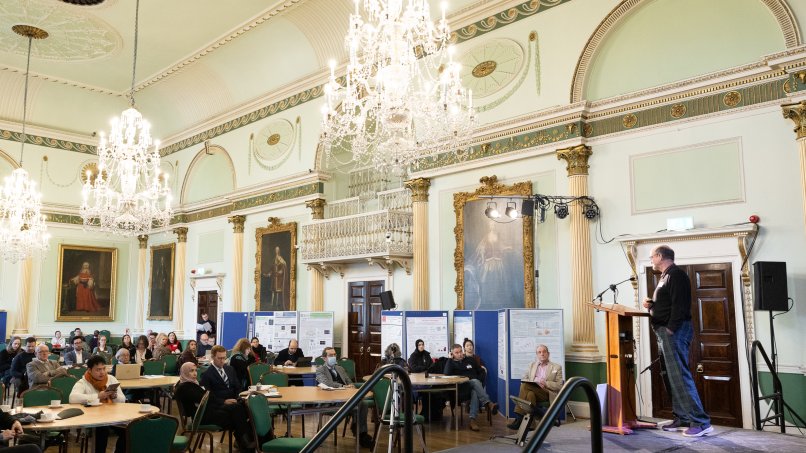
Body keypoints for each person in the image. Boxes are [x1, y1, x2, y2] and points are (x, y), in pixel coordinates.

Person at [643, 245, 712, 437]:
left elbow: (680, 305)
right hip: (665, 332)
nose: (650, 260)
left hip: (674, 332)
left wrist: (671, 328)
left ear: (659, 256)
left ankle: (701, 422)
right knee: (671, 376)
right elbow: (667, 304)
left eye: (651, 257)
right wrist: (652, 306)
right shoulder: (664, 277)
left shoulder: (676, 275)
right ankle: (683, 417)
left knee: (679, 376)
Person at [199, 346, 255, 452]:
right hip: (219, 405)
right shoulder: (206, 374)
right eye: (219, 358)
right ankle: (245, 441)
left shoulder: (230, 369)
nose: (222, 361)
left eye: (224, 358)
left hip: (234, 400)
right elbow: (207, 395)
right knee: (238, 409)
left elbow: (238, 386)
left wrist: (238, 397)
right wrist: (224, 401)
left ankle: (248, 439)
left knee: (250, 406)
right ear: (213, 357)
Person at [315, 347, 373, 448]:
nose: (333, 357)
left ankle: (361, 433)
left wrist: (351, 386)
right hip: (331, 400)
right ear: (324, 358)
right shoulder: (320, 370)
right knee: (359, 403)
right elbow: (326, 382)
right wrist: (342, 386)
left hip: (346, 398)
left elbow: (348, 381)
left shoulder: (340, 368)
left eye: (335, 355)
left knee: (363, 403)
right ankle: (359, 432)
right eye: (330, 355)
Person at [69, 356, 126, 452]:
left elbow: (123, 400)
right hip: (93, 417)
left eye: (104, 369)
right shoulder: (83, 382)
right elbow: (72, 398)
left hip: (112, 415)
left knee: (128, 430)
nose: (102, 372)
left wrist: (114, 397)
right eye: (98, 370)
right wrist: (98, 396)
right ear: (89, 370)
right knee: (102, 429)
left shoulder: (111, 379)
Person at [507, 344, 563, 430]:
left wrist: (545, 383)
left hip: (547, 393)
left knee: (525, 385)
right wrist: (534, 382)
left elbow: (559, 385)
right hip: (534, 390)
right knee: (530, 394)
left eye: (544, 352)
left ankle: (519, 417)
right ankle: (531, 425)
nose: (542, 354)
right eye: (539, 352)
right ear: (537, 355)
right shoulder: (532, 365)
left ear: (548, 354)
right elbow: (524, 378)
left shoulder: (556, 367)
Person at [444, 344, 498, 431]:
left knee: (475, 389)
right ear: (452, 354)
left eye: (460, 351)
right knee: (475, 383)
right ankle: (488, 404)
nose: (460, 354)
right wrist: (449, 359)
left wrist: (479, 381)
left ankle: (473, 421)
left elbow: (481, 372)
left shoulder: (470, 360)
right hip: (460, 390)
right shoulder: (451, 363)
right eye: (456, 353)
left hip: (474, 387)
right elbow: (446, 374)